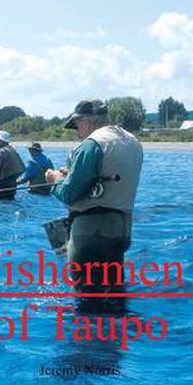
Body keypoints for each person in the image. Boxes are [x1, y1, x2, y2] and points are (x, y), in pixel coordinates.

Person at [45, 99, 143, 291]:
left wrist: (55, 178)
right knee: (114, 293)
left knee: (87, 300)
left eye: (77, 127)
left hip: (91, 233)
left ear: (85, 122)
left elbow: (69, 194)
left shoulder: (92, 144)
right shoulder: (132, 141)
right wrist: (73, 174)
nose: (78, 133)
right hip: (121, 230)